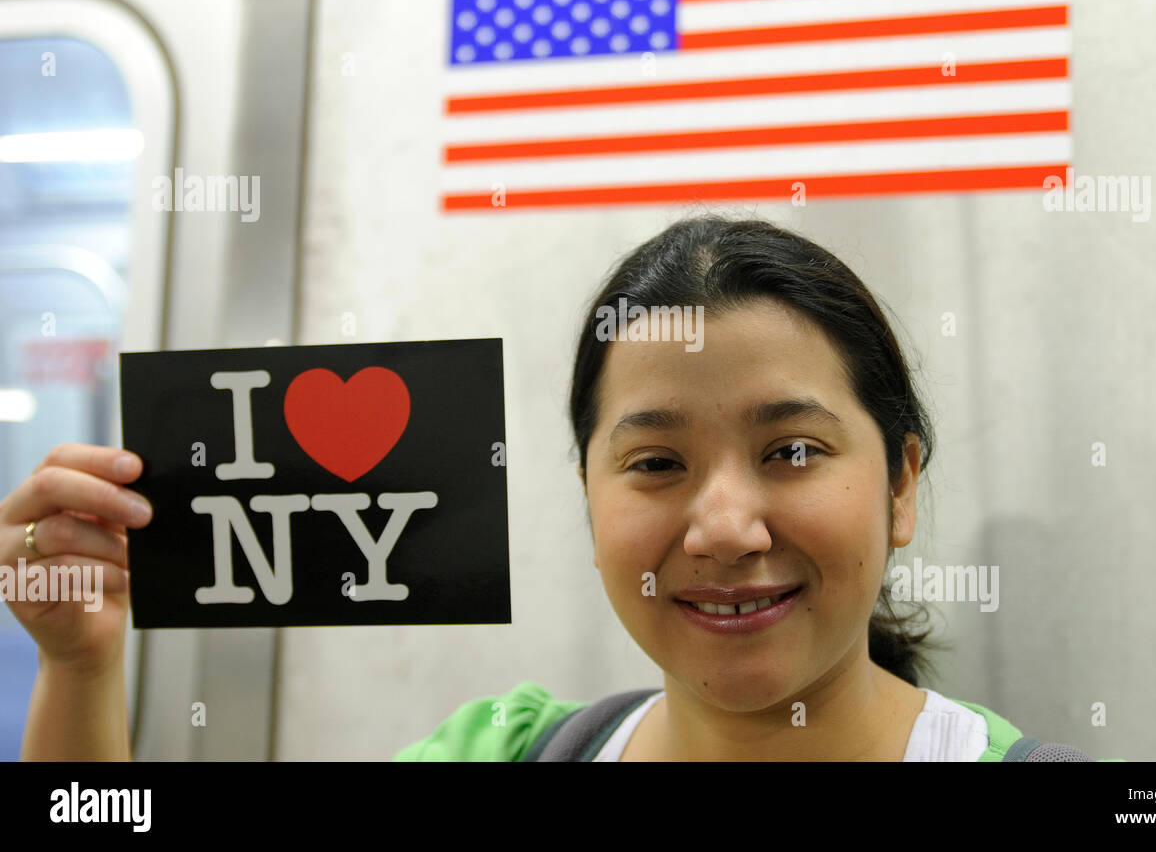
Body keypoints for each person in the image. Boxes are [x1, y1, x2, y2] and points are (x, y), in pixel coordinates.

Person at [1, 214, 1100, 761]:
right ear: (588, 497)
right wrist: (81, 668)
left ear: (901, 483)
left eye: (792, 451)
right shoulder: (500, 755)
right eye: (656, 464)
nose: (724, 528)